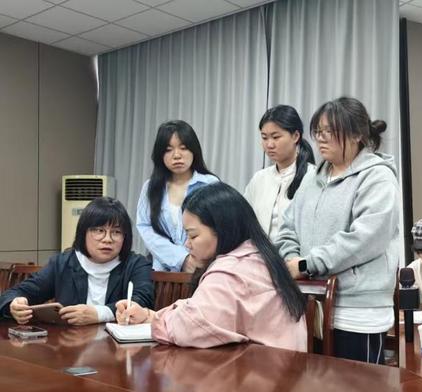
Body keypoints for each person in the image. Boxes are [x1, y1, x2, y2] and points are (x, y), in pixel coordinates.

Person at [274, 97, 400, 364]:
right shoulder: (312, 177)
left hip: (357, 311)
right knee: (314, 386)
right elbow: (287, 227)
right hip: (310, 303)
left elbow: (365, 238)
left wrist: (306, 264)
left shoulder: (377, 177)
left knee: (360, 388)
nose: (321, 138)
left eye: (330, 131)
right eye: (318, 131)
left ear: (357, 135)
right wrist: (291, 260)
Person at [118, 183, 307, 351]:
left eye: (193, 236)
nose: (187, 244)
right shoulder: (257, 256)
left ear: (222, 229)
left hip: (262, 372)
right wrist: (150, 316)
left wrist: (155, 320)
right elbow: (198, 309)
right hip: (281, 369)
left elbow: (189, 327)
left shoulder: (231, 270)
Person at [1, 197, 153, 325]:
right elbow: (15, 293)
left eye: (116, 232)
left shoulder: (136, 264)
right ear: (83, 232)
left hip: (118, 347)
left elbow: (141, 302)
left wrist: (99, 314)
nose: (107, 239)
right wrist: (14, 304)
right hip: (68, 344)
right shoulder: (62, 263)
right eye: (99, 230)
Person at [137, 120, 218, 272]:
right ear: (160, 155)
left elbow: (217, 229)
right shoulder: (151, 187)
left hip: (202, 269)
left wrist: (194, 259)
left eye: (183, 148)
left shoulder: (210, 184)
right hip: (162, 271)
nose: (177, 155)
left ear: (194, 150)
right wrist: (181, 258)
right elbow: (145, 228)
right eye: (168, 150)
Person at [244, 105, 316, 240]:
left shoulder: (314, 177)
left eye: (276, 137)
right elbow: (244, 219)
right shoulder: (259, 178)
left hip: (296, 252)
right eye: (264, 138)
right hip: (259, 251)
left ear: (295, 136)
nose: (269, 145)